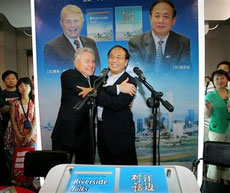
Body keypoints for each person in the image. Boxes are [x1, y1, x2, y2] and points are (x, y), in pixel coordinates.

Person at [51, 47, 97, 164]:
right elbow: (83, 91)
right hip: (66, 134)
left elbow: (107, 87)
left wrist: (119, 88)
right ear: (76, 63)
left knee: (85, 173)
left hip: (86, 136)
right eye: (87, 61)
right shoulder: (69, 75)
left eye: (93, 62)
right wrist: (97, 90)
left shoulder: (96, 81)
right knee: (59, 171)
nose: (91, 65)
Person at [96, 45, 138, 165]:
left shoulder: (130, 81)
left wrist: (97, 93)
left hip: (120, 134)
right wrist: (117, 88)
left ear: (126, 62)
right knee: (107, 170)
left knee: (125, 172)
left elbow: (116, 104)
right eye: (111, 57)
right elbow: (94, 95)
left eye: (119, 57)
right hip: (102, 131)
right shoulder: (101, 78)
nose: (114, 60)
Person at [128, 0, 191, 71]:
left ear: (173, 20)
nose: (161, 21)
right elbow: (136, 72)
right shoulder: (136, 43)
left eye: (166, 16)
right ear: (150, 18)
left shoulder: (183, 42)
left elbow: (185, 72)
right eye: (157, 16)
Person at [43, 4, 100, 70]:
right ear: (62, 23)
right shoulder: (51, 47)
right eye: (68, 21)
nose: (72, 25)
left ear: (82, 22)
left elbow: (98, 68)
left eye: (76, 21)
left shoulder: (91, 43)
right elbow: (51, 76)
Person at [205, 69, 230, 183]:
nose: (220, 81)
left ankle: (227, 178)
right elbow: (206, 115)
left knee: (228, 154)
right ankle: (214, 179)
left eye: (222, 78)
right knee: (217, 154)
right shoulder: (210, 96)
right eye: (217, 79)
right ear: (213, 81)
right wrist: (208, 109)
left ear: (227, 79)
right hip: (217, 128)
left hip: (229, 127)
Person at [10, 77, 36, 148]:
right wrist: (18, 135)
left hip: (33, 135)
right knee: (19, 157)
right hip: (18, 134)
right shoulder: (14, 103)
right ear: (18, 88)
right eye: (21, 86)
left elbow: (35, 119)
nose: (23, 88)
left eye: (26, 86)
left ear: (30, 88)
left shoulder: (34, 102)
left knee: (32, 156)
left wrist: (30, 134)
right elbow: (13, 120)